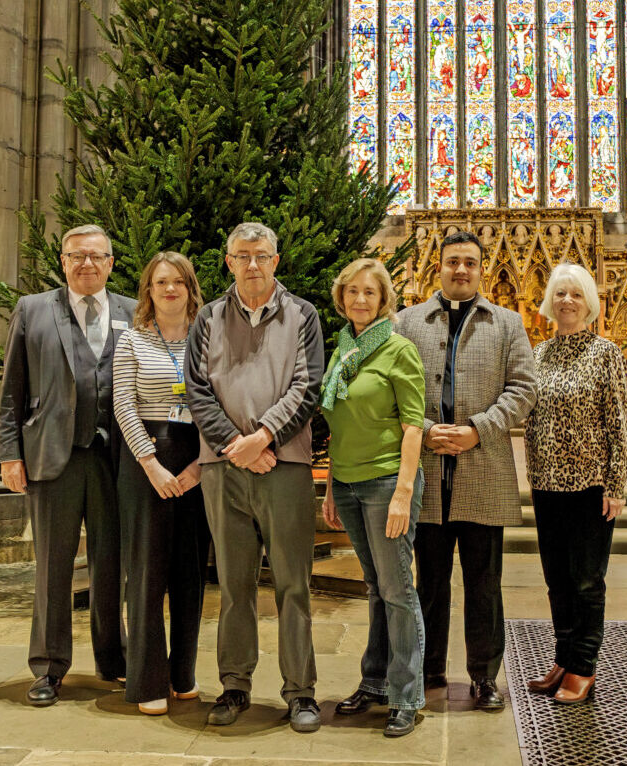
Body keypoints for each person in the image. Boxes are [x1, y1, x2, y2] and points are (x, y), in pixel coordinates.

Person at [184, 222, 325, 733]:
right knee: (235, 584)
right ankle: (234, 685)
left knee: (293, 583)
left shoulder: (303, 315)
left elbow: (309, 386)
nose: (252, 265)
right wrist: (235, 447)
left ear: (276, 261)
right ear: (228, 262)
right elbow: (198, 390)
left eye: (261, 255)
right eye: (241, 256)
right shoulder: (208, 318)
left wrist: (263, 437)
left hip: (283, 466)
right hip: (225, 469)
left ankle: (301, 692)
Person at [397, 231, 537, 711]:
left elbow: (523, 389)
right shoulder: (407, 322)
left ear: (482, 269)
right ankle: (430, 668)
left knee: (484, 585)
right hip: (428, 476)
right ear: (438, 267)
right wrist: (425, 427)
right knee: (429, 583)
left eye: (470, 263)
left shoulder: (507, 323)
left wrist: (479, 428)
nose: (461, 270)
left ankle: (483, 676)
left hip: (483, 471)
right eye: (452, 261)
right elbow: (393, 392)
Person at [0, 224, 135, 706]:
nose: (87, 264)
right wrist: (9, 452)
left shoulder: (133, 313)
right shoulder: (33, 309)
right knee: (53, 568)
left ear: (111, 263)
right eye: (77, 256)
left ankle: (113, 657)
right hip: (52, 457)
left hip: (115, 460)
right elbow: (12, 387)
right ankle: (49, 667)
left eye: (97, 256)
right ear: (63, 261)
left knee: (110, 565)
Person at [320, 258, 427, 738]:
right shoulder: (343, 349)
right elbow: (338, 424)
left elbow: (412, 425)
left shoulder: (398, 349)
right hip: (346, 482)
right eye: (353, 291)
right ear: (342, 298)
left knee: (398, 591)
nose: (360, 299)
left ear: (384, 300)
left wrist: (403, 493)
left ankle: (407, 696)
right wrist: (329, 485)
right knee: (375, 587)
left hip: (387, 482)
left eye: (370, 292)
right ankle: (375, 681)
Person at [523, 262, 627, 704]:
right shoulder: (538, 354)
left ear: (589, 303)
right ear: (549, 301)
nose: (567, 301)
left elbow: (620, 422)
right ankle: (563, 657)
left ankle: (584, 667)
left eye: (576, 294)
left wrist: (616, 484)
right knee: (556, 579)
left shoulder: (605, 354)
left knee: (587, 579)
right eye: (560, 293)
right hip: (546, 483)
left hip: (590, 485)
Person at [112, 252, 209, 715]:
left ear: (191, 288)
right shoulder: (132, 340)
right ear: (148, 290)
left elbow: (220, 405)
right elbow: (123, 405)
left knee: (190, 573)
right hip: (145, 461)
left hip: (196, 459)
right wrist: (151, 465)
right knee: (147, 574)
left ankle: (183, 674)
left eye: (178, 282)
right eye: (160, 282)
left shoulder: (208, 340)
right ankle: (148, 680)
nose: (169, 289)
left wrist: (200, 468)